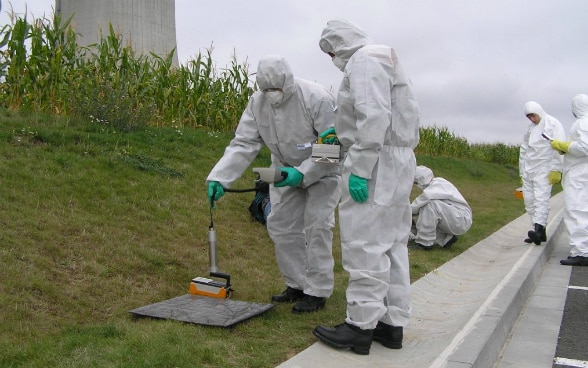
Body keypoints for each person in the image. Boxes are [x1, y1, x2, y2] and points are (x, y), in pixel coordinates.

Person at [312, 19, 420, 355]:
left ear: (338, 44)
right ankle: (391, 325)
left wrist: (359, 167)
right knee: (392, 244)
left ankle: (359, 327)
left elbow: (373, 116)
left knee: (365, 244)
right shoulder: (382, 56)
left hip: (375, 163)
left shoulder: (362, 61)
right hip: (397, 160)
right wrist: (339, 136)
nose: (332, 59)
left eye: (330, 52)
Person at [206, 55, 341, 313]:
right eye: (267, 90)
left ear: (287, 82)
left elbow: (333, 144)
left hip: (323, 171)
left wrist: (304, 173)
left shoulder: (316, 98)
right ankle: (297, 284)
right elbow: (244, 143)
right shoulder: (257, 104)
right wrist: (219, 177)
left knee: (318, 227)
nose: (272, 94)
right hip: (283, 170)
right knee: (281, 226)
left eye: (276, 89)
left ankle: (318, 291)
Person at [519, 101, 565, 245]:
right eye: (529, 117)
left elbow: (559, 146)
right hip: (529, 170)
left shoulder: (553, 124)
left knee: (541, 200)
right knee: (530, 201)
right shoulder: (530, 129)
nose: (532, 119)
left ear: (538, 111)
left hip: (544, 169)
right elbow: (524, 150)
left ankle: (538, 230)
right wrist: (522, 171)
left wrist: (557, 168)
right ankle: (539, 231)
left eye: (533, 116)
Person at [550, 94, 588, 266]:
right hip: (581, 171)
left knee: (576, 210)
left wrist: (564, 146)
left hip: (580, 174)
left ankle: (581, 252)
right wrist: (566, 150)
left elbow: (584, 147)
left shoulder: (582, 123)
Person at [410, 166, 472, 250]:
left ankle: (424, 243)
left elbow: (417, 205)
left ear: (420, 179)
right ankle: (446, 239)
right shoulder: (439, 182)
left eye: (416, 182)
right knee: (428, 214)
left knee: (430, 206)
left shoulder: (433, 188)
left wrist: (403, 211)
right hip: (458, 216)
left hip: (460, 218)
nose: (416, 185)